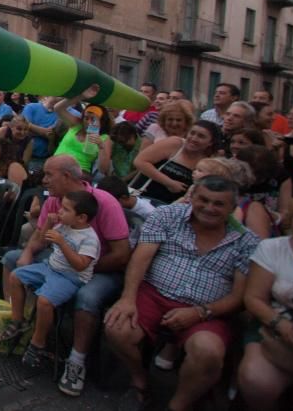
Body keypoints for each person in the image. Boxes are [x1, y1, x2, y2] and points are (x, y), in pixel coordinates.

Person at [104, 176, 260, 411]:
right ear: (193, 197)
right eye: (203, 200)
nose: (209, 208)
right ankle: (140, 380)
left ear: (232, 207)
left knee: (208, 353)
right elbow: (140, 258)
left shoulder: (246, 241)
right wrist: (127, 298)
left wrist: (200, 312)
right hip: (154, 293)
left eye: (218, 204)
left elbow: (239, 297)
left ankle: (178, 404)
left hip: (209, 309)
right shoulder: (168, 215)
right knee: (117, 328)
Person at [0, 155, 130, 397]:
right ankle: (20, 320)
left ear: (67, 177)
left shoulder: (103, 202)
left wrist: (81, 267)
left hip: (99, 267)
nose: (44, 179)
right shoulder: (55, 201)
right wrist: (27, 252)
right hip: (60, 259)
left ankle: (76, 361)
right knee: (12, 260)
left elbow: (122, 255)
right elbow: (40, 235)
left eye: (49, 175)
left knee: (87, 298)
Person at [0, 191, 101, 369]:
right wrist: (48, 222)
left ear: (81, 218)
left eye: (66, 209)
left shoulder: (89, 239)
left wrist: (62, 243)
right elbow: (42, 241)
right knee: (16, 276)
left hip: (71, 277)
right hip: (50, 267)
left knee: (45, 301)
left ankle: (38, 342)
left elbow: (80, 265)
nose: (60, 211)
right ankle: (18, 321)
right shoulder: (63, 226)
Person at [237, 193, 293, 408]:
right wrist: (283, 326)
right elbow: (253, 298)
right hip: (274, 325)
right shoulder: (273, 249)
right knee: (257, 381)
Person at [131, 121, 219, 204]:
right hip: (141, 198)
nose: (194, 138)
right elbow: (140, 161)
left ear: (210, 142)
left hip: (170, 207)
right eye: (192, 133)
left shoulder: (207, 162)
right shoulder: (175, 144)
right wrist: (169, 182)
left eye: (201, 136)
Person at [52, 85, 113, 177]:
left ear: (102, 121)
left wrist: (101, 146)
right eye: (86, 118)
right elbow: (57, 108)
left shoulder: (104, 138)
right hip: (55, 166)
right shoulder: (77, 125)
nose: (88, 122)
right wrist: (81, 96)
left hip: (78, 174)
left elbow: (103, 169)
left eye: (93, 119)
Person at [22, 95, 59, 172]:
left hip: (44, 158)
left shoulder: (60, 114)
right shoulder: (31, 107)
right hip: (23, 154)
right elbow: (24, 126)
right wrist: (44, 132)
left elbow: (51, 134)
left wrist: (32, 128)